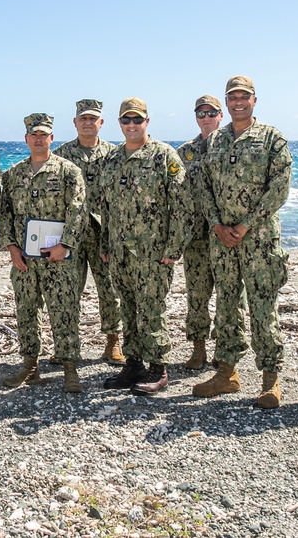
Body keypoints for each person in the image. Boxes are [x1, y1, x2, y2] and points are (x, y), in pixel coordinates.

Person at [193, 75, 292, 409]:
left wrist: (247, 224)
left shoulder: (271, 138)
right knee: (227, 305)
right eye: (232, 97)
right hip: (222, 240)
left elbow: (279, 187)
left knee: (263, 307)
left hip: (260, 239)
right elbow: (204, 185)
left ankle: (270, 379)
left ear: (254, 100)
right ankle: (227, 373)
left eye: (244, 96)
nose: (238, 102)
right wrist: (217, 224)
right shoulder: (217, 140)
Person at [99, 98, 192, 395]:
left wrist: (173, 248)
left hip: (153, 253)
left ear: (147, 122)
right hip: (120, 251)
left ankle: (158, 367)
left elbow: (182, 206)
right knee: (128, 307)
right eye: (126, 120)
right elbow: (106, 208)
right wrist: (105, 244)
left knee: (152, 308)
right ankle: (134, 363)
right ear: (120, 124)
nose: (131, 125)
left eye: (137, 120)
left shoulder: (164, 156)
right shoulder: (112, 160)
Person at [0, 113, 87, 393]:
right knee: (26, 311)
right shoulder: (13, 174)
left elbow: (78, 210)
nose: (38, 139)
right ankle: (30, 365)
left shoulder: (68, 171)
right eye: (33, 135)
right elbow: (5, 214)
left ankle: (70, 368)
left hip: (58, 258)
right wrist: (11, 247)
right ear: (26, 139)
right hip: (25, 259)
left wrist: (66, 245)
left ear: (51, 138)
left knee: (64, 311)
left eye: (43, 135)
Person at [53, 99, 124, 366]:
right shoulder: (61, 155)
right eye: (83, 118)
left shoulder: (113, 154)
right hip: (70, 234)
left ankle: (113, 343)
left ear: (101, 123)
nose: (87, 122)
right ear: (74, 122)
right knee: (67, 291)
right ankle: (67, 346)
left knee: (110, 290)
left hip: (104, 233)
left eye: (92, 118)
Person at [176, 95, 244, 369]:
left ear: (221, 116)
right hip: (196, 236)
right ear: (196, 117)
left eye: (211, 113)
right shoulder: (184, 152)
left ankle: (226, 351)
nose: (206, 118)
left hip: (226, 235)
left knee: (230, 296)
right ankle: (198, 349)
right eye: (201, 113)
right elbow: (176, 193)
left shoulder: (232, 147)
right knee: (197, 295)